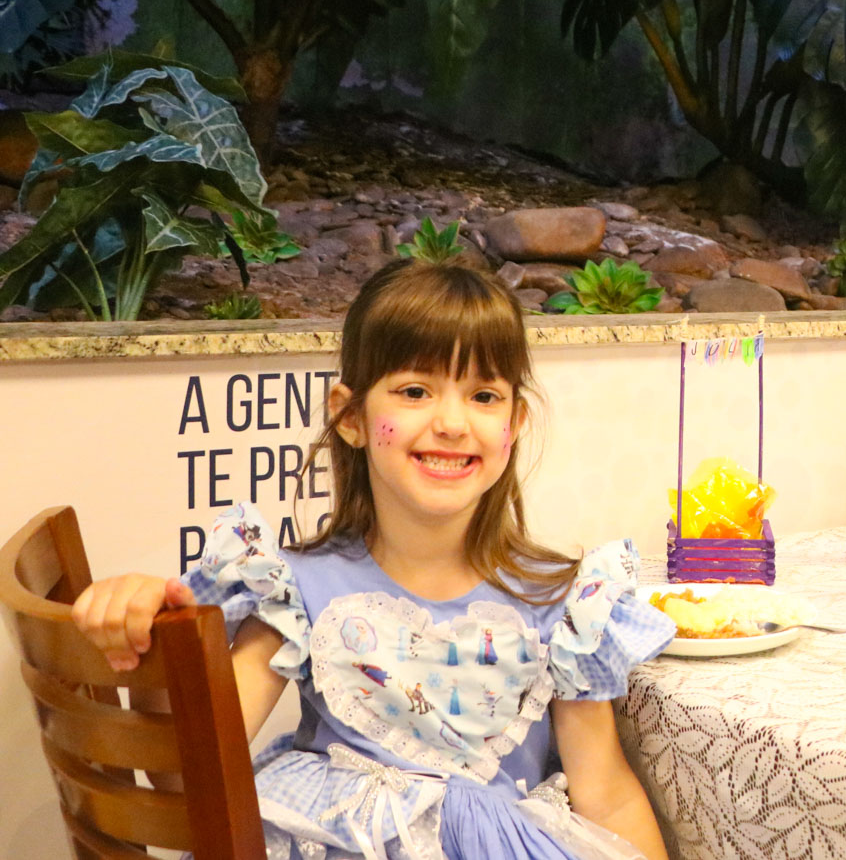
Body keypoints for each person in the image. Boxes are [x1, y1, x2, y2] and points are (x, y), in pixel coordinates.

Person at [70, 259, 676, 860]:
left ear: (514, 422)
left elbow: (606, 796)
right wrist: (149, 627)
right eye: (414, 391)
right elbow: (192, 774)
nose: (452, 423)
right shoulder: (294, 592)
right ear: (351, 416)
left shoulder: (565, 608)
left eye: (484, 396)